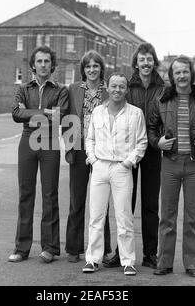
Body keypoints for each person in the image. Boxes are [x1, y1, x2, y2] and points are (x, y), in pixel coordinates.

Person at [148, 55, 195, 277]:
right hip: (169, 164)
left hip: (193, 166)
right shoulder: (161, 99)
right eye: (177, 72)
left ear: (191, 73)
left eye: (185, 71)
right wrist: (158, 142)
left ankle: (192, 263)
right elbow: (151, 129)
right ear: (172, 76)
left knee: (192, 217)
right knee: (167, 216)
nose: (181, 76)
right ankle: (164, 262)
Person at [105, 42, 164, 269]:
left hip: (153, 152)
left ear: (154, 61)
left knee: (150, 205)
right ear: (136, 63)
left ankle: (150, 254)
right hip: (128, 152)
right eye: (142, 59)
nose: (146, 63)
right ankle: (122, 253)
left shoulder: (163, 88)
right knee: (124, 204)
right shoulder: (128, 86)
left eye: (149, 59)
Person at [8, 46, 69, 263]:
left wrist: (30, 113)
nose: (43, 65)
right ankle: (21, 248)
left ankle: (50, 248)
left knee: (50, 194)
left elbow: (60, 117)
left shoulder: (61, 90)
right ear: (33, 65)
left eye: (47, 61)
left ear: (52, 65)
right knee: (26, 193)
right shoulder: (24, 88)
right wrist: (44, 112)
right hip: (27, 141)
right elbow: (16, 113)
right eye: (39, 61)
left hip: (50, 141)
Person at [82, 73, 147, 276]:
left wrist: (129, 162)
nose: (117, 90)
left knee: (124, 216)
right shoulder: (98, 112)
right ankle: (93, 259)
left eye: (121, 86)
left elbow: (142, 142)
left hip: (122, 168)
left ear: (126, 90)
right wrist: (93, 160)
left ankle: (128, 261)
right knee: (96, 216)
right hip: (100, 168)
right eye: (113, 86)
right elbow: (89, 139)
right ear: (107, 88)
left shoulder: (136, 113)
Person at [64, 50, 111, 263]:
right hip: (79, 148)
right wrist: (69, 147)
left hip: (102, 152)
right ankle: (74, 248)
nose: (92, 70)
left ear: (101, 68)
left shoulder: (109, 92)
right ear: (83, 70)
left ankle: (103, 247)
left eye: (95, 66)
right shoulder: (73, 90)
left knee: (101, 202)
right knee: (77, 199)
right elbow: (65, 118)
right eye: (88, 66)